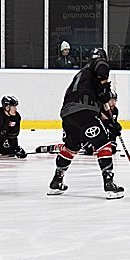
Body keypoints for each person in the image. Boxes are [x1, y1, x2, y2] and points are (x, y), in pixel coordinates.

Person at [48, 48, 124, 199]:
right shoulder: (97, 66)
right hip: (84, 112)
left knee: (71, 147)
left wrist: (109, 122)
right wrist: (104, 86)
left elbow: (96, 103)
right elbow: (101, 67)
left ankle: (56, 182)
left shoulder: (82, 76)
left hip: (68, 115)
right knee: (103, 143)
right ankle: (109, 183)